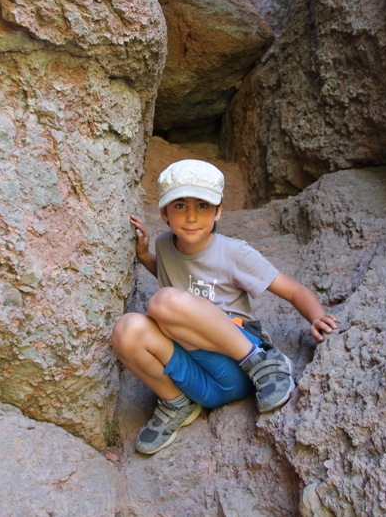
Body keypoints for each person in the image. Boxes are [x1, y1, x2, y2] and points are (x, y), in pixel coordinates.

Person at [112, 159, 338, 455]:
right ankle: (176, 404)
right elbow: (170, 274)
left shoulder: (233, 252)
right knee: (126, 330)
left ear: (219, 210)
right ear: (163, 212)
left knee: (163, 301)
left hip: (238, 366)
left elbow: (293, 290)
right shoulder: (166, 245)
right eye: (180, 206)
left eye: (203, 206)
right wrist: (144, 254)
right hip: (195, 378)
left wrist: (318, 316)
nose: (191, 217)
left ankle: (262, 361)